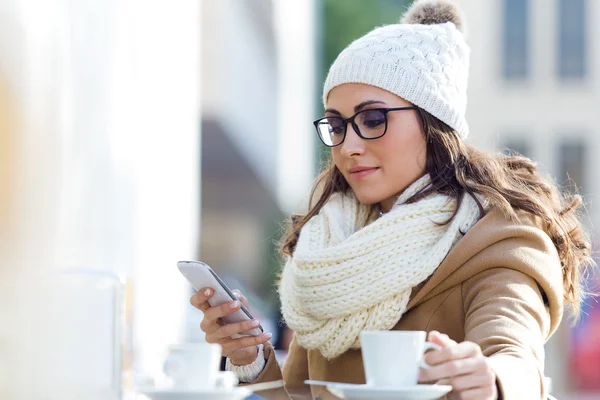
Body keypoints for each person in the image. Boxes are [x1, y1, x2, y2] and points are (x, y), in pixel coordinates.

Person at [190, 0, 593, 399]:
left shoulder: (498, 239)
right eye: (336, 125)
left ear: (434, 123)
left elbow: (513, 353)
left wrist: (490, 378)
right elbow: (301, 396)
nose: (348, 146)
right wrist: (250, 358)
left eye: (372, 119)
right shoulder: (329, 249)